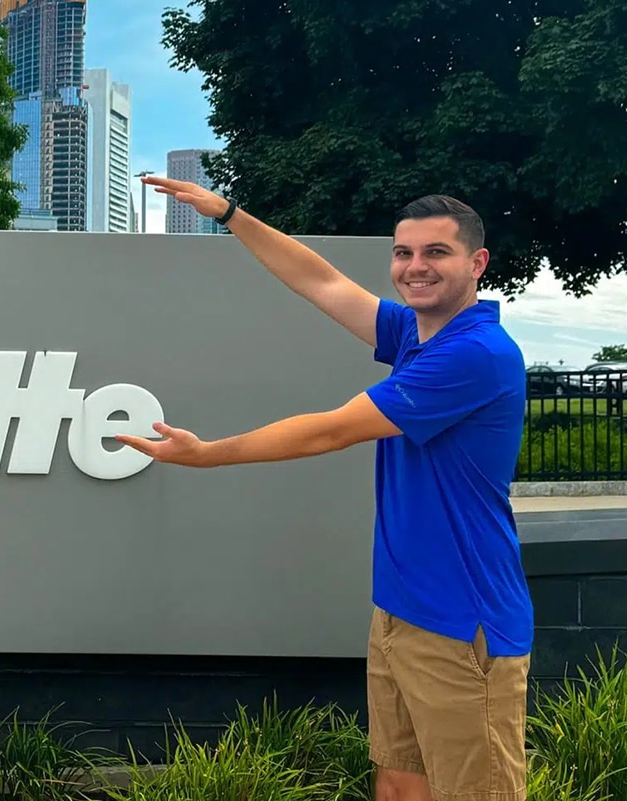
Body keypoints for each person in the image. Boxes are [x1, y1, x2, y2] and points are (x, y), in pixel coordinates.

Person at [119, 177, 533, 801]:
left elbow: (332, 431)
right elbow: (322, 282)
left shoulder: (476, 354)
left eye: (436, 253)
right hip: (401, 610)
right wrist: (230, 213)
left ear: (477, 263)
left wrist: (207, 455)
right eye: (403, 253)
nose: (415, 267)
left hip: (462, 620)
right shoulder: (417, 335)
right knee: (397, 784)